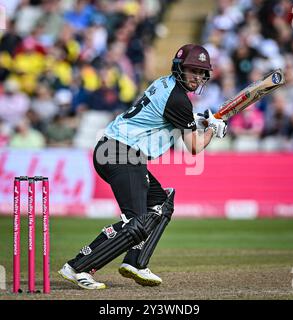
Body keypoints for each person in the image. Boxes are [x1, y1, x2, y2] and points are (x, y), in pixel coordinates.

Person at [58, 44, 227, 289]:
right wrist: (213, 129)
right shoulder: (178, 100)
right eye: (193, 70)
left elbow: (170, 118)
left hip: (117, 151)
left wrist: (200, 121)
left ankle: (136, 262)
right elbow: (194, 146)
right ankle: (78, 267)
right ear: (179, 68)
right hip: (120, 153)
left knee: (161, 204)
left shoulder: (165, 84)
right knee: (135, 223)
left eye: (202, 72)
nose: (197, 77)